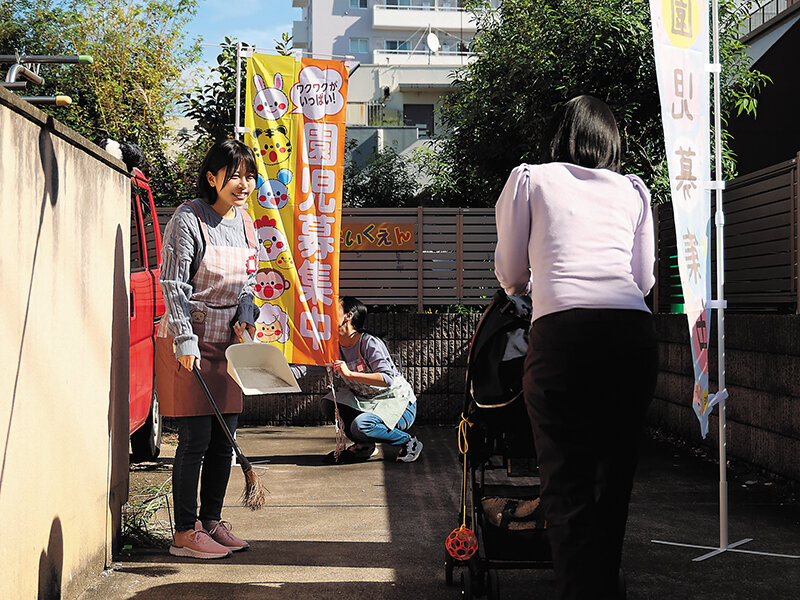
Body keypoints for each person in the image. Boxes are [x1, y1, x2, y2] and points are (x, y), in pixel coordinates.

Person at [493, 95, 658, 600]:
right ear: (612, 141)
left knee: (566, 485)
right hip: (631, 337)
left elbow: (512, 276)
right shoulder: (634, 190)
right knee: (613, 484)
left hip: (563, 338)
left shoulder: (531, 180)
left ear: (562, 135)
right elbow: (645, 278)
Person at [155, 139, 260, 559]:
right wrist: (183, 338)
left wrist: (247, 316)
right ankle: (184, 532)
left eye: (249, 175)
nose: (243, 183)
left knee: (225, 437)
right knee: (195, 438)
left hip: (229, 345)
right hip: (191, 340)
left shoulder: (247, 223)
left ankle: (212, 522)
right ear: (212, 177)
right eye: (234, 174)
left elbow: (250, 283)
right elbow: (173, 285)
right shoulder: (189, 218)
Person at [321, 296, 423, 464]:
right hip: (368, 402)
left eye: (335, 309)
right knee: (329, 403)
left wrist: (350, 374)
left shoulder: (368, 342)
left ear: (348, 316)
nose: (328, 313)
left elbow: (387, 379)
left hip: (399, 405)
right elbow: (311, 367)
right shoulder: (335, 345)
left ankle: (408, 441)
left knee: (361, 425)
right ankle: (365, 445)